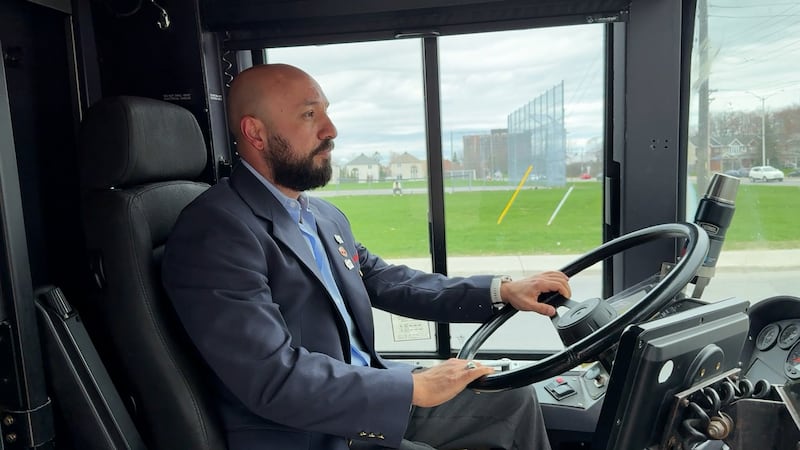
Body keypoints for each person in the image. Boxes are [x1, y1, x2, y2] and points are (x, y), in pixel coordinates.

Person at [162, 63, 572, 450]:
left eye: (327, 113)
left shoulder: (320, 214)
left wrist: (502, 290)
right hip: (306, 430)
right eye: (309, 115)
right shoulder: (216, 231)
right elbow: (272, 377)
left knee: (513, 398)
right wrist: (415, 387)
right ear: (256, 133)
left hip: (366, 389)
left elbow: (386, 280)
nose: (331, 130)